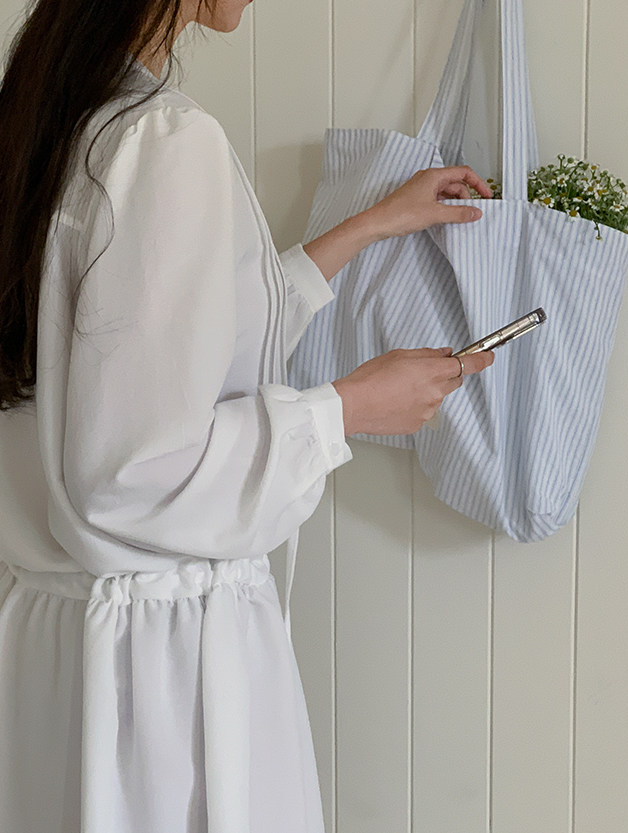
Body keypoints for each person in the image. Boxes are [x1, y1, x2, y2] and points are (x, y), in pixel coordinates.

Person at [0, 0, 494, 831]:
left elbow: (159, 347)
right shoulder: (161, 141)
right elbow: (135, 470)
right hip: (159, 687)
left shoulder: (47, 120)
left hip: (55, 656)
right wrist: (347, 409)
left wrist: (370, 227)